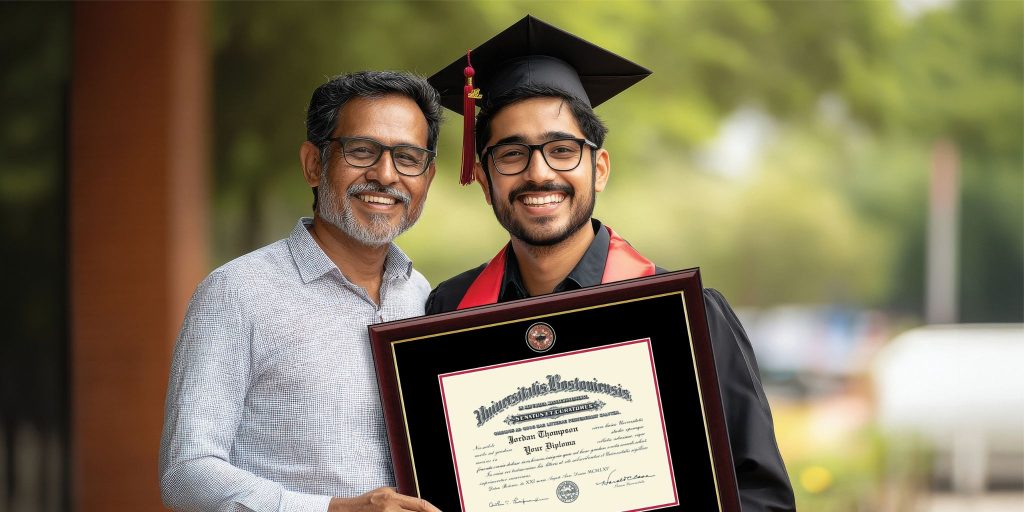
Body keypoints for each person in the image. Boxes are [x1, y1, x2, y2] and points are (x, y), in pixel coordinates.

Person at [425, 16, 796, 511]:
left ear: (598, 169)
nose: (539, 173)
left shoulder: (685, 316)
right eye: (511, 155)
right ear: (485, 179)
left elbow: (761, 498)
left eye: (562, 151)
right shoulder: (447, 317)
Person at [159, 71, 443, 512]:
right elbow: (186, 473)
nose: (386, 175)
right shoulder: (237, 293)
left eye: (408, 157)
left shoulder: (422, 297)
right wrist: (332, 510)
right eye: (362, 151)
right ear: (314, 164)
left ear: (427, 176)